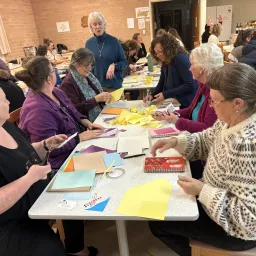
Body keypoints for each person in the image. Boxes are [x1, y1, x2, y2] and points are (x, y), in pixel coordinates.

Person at [149, 63, 256, 256]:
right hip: (215, 202)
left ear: (238, 103)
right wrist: (175, 141)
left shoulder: (246, 143)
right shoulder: (229, 121)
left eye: (215, 101)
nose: (211, 106)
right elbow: (205, 140)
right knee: (166, 205)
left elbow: (249, 219)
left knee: (158, 222)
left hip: (237, 232)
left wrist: (202, 190)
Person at [0, 88, 98, 256]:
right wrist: (29, 178)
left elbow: (25, 153)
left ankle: (76, 248)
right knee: (50, 250)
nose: (9, 102)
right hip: (11, 222)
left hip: (37, 198)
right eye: (3, 100)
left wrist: (45, 145)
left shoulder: (6, 126)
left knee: (86, 188)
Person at [16, 56, 104, 169]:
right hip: (59, 163)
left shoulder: (56, 92)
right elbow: (49, 150)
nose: (55, 73)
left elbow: (74, 113)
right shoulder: (38, 110)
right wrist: (79, 138)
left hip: (76, 147)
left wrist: (87, 123)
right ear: (48, 79)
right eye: (53, 70)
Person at [152, 43, 222, 133]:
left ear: (202, 69)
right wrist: (170, 114)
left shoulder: (215, 93)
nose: (189, 69)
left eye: (192, 64)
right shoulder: (203, 85)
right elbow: (190, 111)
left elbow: (207, 129)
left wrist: (176, 121)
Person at [143, 34, 198, 109]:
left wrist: (165, 94)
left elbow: (190, 84)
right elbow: (161, 82)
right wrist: (152, 95)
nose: (158, 55)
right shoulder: (166, 60)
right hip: (175, 100)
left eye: (160, 51)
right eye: (156, 53)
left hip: (185, 103)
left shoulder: (180, 58)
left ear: (168, 48)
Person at [60, 48, 111, 122]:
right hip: (86, 124)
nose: (89, 69)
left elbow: (97, 93)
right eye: (86, 66)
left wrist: (105, 97)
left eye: (91, 65)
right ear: (76, 64)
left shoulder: (89, 76)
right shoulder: (68, 84)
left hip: (100, 115)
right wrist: (96, 99)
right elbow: (75, 109)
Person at [85, 12, 127, 92]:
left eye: (100, 23)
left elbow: (124, 62)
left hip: (114, 87)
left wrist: (114, 65)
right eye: (94, 24)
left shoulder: (114, 41)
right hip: (96, 88)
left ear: (104, 24)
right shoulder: (88, 44)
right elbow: (88, 66)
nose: (98, 27)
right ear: (91, 26)